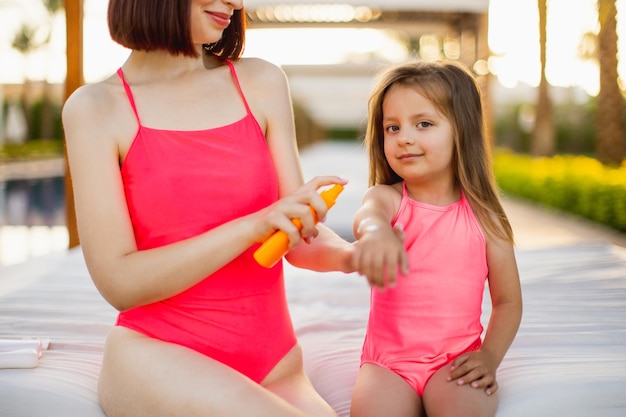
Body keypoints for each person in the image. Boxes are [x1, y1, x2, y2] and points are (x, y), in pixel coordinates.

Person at [61, 1, 354, 416]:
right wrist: (252, 227)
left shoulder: (261, 81)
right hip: (159, 356)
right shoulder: (95, 108)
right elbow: (119, 283)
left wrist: (353, 254)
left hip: (274, 362)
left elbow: (297, 235)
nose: (235, 3)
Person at [349, 60, 523, 417]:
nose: (404, 138)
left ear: (462, 130)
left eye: (423, 124)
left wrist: (489, 357)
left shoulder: (485, 218)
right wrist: (377, 233)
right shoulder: (388, 199)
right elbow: (368, 217)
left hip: (455, 362)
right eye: (392, 127)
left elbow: (507, 302)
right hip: (387, 365)